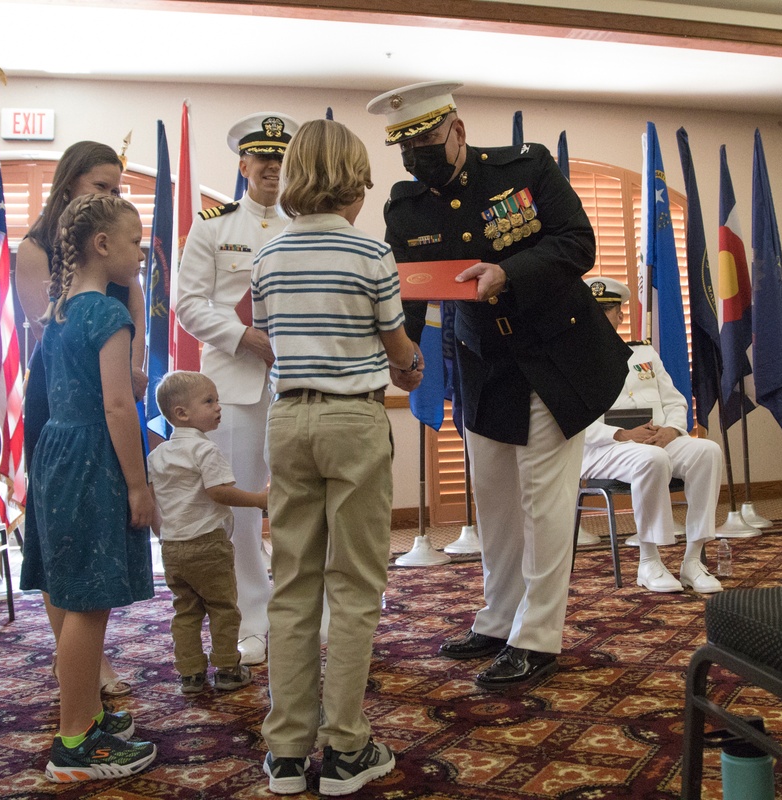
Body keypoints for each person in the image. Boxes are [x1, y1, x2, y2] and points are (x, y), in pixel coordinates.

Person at [369, 81, 630, 691]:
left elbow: (577, 245)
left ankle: (538, 637)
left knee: (544, 499)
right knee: (494, 499)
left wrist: (506, 273)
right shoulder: (406, 205)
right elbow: (405, 286)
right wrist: (401, 355)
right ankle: (497, 619)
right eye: (405, 148)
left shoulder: (526, 168)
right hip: (483, 363)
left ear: (456, 130)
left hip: (553, 356)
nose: (418, 157)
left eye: (428, 140)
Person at [251, 119, 422, 796]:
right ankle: (347, 749)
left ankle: (287, 754)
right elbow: (397, 347)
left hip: (287, 418)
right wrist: (409, 368)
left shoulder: (265, 257)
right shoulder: (372, 254)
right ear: (354, 183)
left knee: (292, 586)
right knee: (353, 586)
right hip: (353, 419)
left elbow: (269, 338)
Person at [32, 193, 156, 781]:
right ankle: (75, 742)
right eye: (134, 242)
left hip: (56, 451)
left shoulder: (59, 310)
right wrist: (139, 485)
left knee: (70, 590)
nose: (141, 252)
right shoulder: (108, 315)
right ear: (102, 246)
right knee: (87, 602)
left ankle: (85, 713)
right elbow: (116, 406)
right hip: (92, 459)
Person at [16, 140, 147, 698]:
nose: (112, 194)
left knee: (82, 575)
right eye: (103, 187)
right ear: (70, 183)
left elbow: (134, 310)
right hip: (73, 411)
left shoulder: (80, 301)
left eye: (119, 188)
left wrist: (135, 366)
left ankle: (79, 693)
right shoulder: (48, 263)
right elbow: (108, 398)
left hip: (87, 408)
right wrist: (139, 485)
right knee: (79, 573)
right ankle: (80, 699)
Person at [175, 112, 300, 667]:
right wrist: (245, 337)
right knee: (242, 507)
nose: (273, 168)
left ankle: (302, 612)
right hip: (234, 387)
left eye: (283, 160)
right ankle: (253, 615)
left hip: (301, 381)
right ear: (244, 164)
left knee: (303, 500)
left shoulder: (308, 225)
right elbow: (189, 304)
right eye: (263, 159)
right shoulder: (213, 227)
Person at [581, 277, 723, 593]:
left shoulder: (643, 354)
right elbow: (571, 420)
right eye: (600, 310)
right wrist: (622, 434)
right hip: (603, 448)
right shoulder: (569, 358)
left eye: (611, 310)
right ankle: (649, 561)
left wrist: (672, 429)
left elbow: (674, 401)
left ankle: (693, 560)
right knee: (652, 458)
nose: (610, 316)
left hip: (655, 440)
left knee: (707, 451)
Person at [148, 370, 268, 694]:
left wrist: (163, 534)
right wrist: (259, 499)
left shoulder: (156, 455)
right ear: (182, 413)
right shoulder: (205, 450)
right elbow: (219, 492)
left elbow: (151, 500)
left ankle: (190, 674)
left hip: (172, 547)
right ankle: (228, 667)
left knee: (185, 611)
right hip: (207, 544)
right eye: (209, 401)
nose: (218, 407)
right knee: (223, 607)